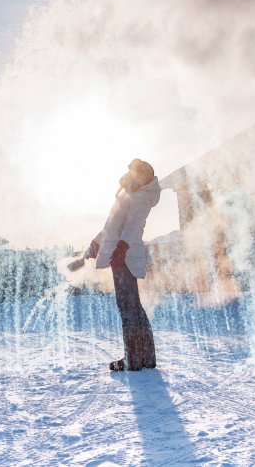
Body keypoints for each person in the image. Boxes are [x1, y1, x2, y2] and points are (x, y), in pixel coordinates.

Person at [86, 159, 161, 371]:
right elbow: (112, 225)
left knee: (127, 306)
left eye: (137, 173)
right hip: (122, 254)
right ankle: (146, 357)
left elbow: (133, 225)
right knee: (133, 306)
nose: (132, 175)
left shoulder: (141, 196)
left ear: (145, 177)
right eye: (131, 172)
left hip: (125, 256)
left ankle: (134, 359)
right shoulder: (129, 194)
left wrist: (122, 247)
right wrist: (96, 242)